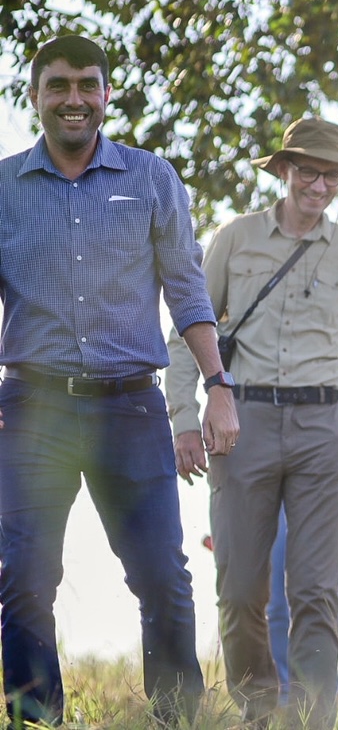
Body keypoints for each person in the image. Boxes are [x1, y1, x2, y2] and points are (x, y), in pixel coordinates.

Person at [0, 35, 239, 725]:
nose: (73, 98)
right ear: (36, 95)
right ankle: (35, 718)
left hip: (131, 408)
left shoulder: (152, 178)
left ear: (106, 94)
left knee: (163, 576)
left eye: (86, 84)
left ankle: (176, 718)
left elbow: (188, 293)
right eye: (58, 85)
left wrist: (219, 385)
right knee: (23, 579)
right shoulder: (5, 189)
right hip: (32, 408)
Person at [166, 117, 338, 727]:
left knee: (316, 589)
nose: (320, 185)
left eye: (333, 175)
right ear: (285, 170)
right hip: (244, 423)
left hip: (326, 427)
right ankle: (260, 711)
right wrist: (186, 418)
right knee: (240, 586)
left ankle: (316, 718)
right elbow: (188, 334)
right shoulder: (235, 238)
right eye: (310, 171)